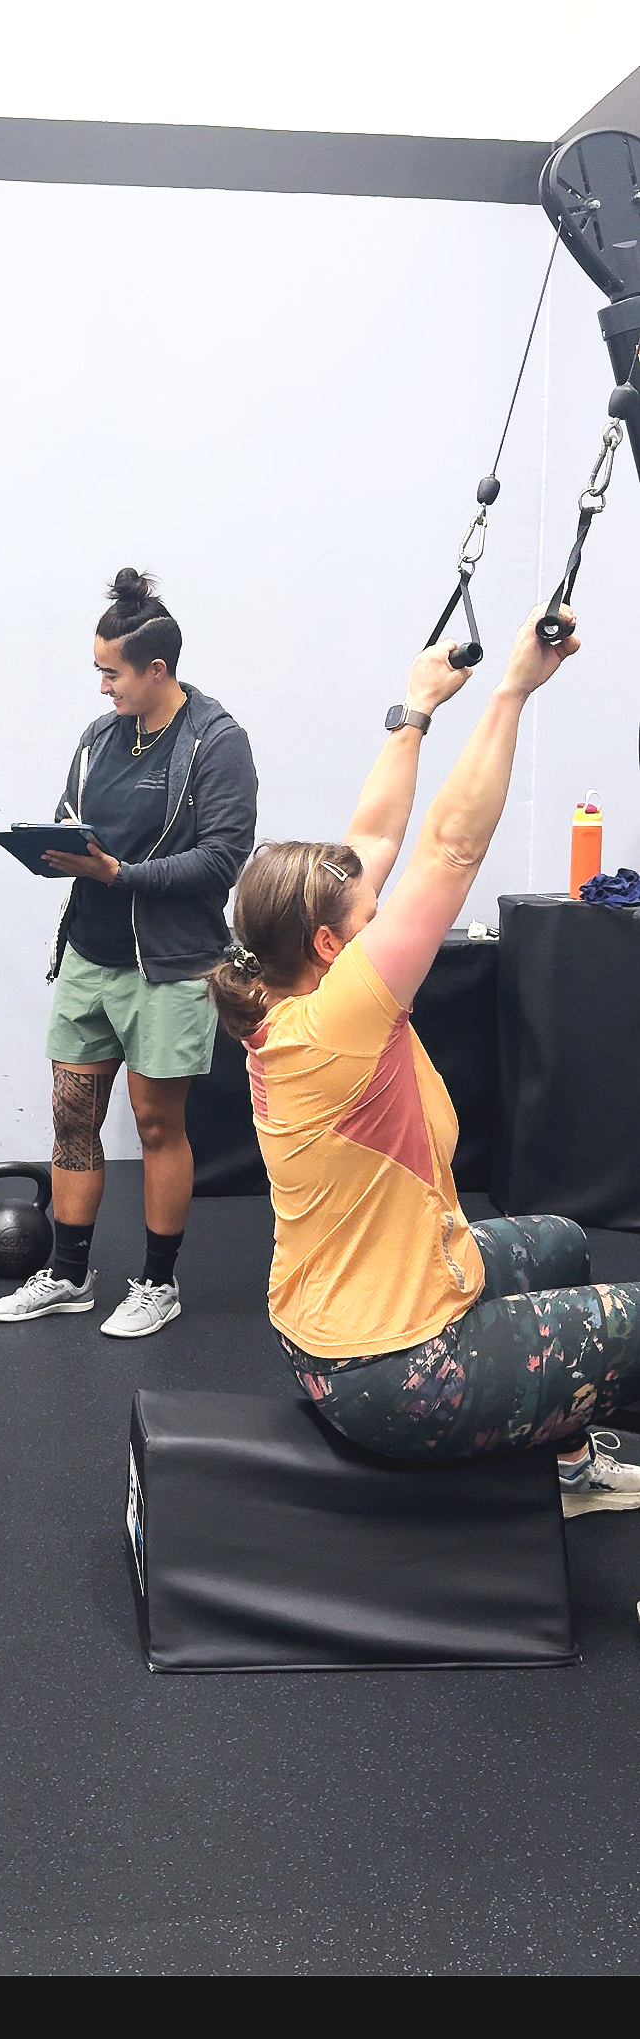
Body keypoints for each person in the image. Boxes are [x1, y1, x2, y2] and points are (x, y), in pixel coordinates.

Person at [208, 603, 640, 1519]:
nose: (385, 913)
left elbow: (369, 845)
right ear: (330, 946)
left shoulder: (291, 997)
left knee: (557, 1243)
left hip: (328, 1332)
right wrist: (512, 691)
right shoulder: (343, 1020)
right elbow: (450, 847)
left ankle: (565, 1472)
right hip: (396, 1376)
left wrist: (414, 710)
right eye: (368, 916)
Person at [0, 568, 258, 1338]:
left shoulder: (217, 741)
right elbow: (71, 821)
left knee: (153, 1126)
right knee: (71, 1118)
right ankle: (67, 1274)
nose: (102, 687)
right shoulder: (99, 738)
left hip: (169, 965)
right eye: (98, 672)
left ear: (156, 671)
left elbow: (221, 862)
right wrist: (55, 849)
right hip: (87, 955)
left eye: (112, 673)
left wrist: (120, 873)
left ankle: (157, 1283)